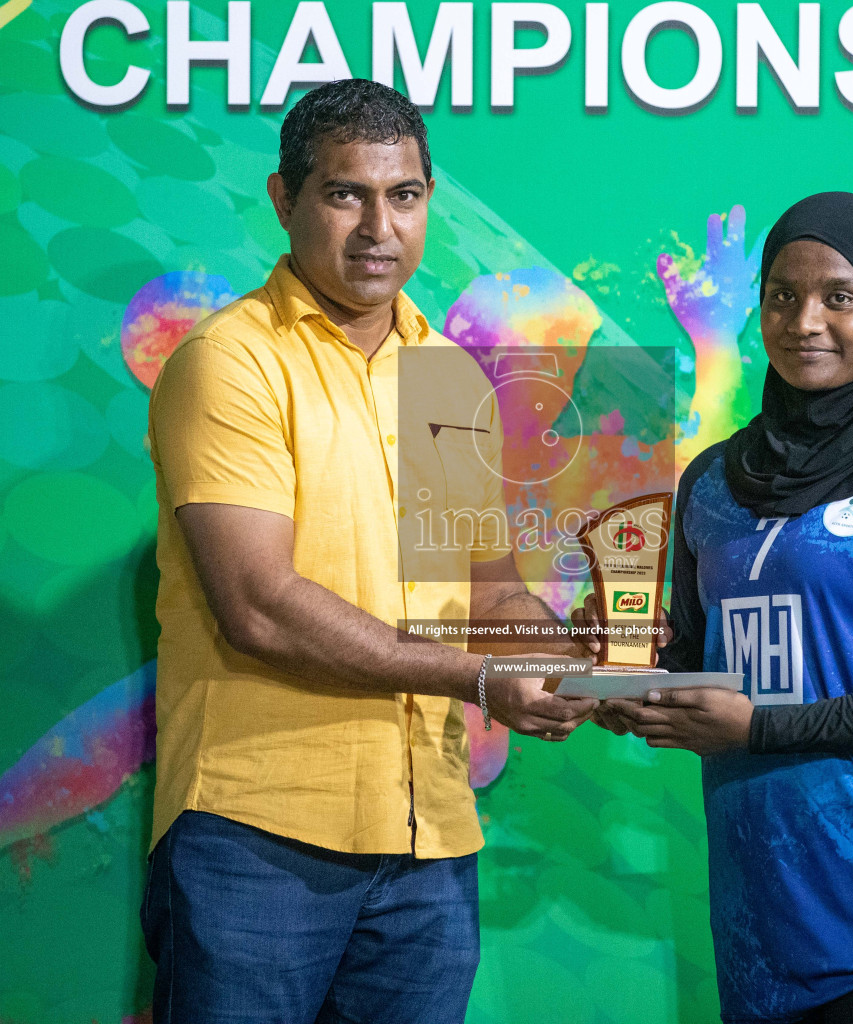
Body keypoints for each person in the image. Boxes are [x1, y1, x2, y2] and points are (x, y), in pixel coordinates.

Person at [141, 79, 594, 1024]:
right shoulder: (231, 361)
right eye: (346, 193)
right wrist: (480, 680)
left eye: (405, 195)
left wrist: (576, 663)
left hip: (430, 839)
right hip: (257, 840)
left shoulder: (446, 375)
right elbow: (258, 605)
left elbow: (488, 593)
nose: (378, 228)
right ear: (284, 199)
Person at [576, 192, 853, 1024]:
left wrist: (759, 728)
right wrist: (620, 678)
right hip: (762, 935)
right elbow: (697, 664)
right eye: (782, 295)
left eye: (840, 297)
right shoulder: (711, 484)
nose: (804, 320)